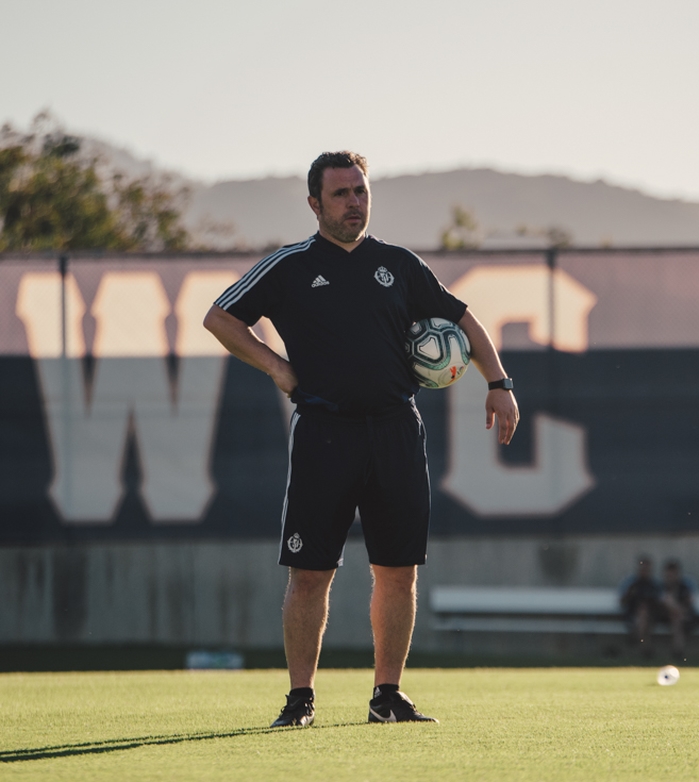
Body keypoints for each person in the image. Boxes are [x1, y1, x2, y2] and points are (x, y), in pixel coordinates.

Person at [203, 151, 519, 727]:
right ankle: (300, 700)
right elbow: (220, 317)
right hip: (324, 431)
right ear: (314, 203)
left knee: (398, 571)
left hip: (397, 429)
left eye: (361, 191)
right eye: (342, 193)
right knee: (310, 573)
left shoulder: (399, 264)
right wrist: (276, 366)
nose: (355, 202)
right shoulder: (289, 266)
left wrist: (498, 383)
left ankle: (388, 696)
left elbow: (465, 320)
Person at [618, 555, 665, 656]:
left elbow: (661, 602)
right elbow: (622, 602)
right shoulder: (631, 584)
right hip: (632, 616)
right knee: (642, 616)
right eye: (642, 569)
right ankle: (646, 650)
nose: (644, 571)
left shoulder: (655, 585)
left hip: (653, 616)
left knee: (644, 615)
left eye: (647, 569)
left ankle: (637, 638)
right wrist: (630, 594)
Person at [661, 559, 697, 657]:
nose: (671, 576)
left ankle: (678, 653)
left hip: (683, 618)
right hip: (664, 618)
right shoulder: (661, 587)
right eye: (669, 574)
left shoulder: (684, 588)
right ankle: (678, 653)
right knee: (671, 605)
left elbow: (689, 603)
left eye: (673, 573)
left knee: (676, 618)